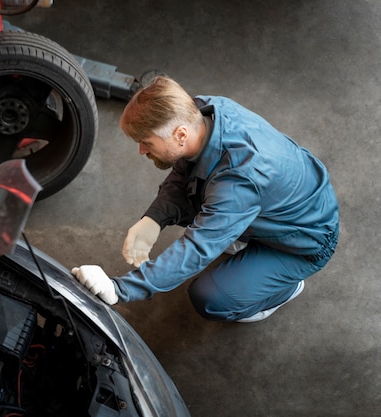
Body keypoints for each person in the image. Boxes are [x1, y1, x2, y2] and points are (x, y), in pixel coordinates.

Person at [71, 76, 339, 322]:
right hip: (278, 199)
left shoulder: (239, 180)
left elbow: (197, 249)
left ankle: (285, 286)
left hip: (305, 243)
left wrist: (120, 289)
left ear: (180, 135)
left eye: (147, 142)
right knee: (199, 190)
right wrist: (154, 218)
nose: (141, 150)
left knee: (209, 297)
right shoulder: (202, 111)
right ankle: (243, 233)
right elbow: (183, 168)